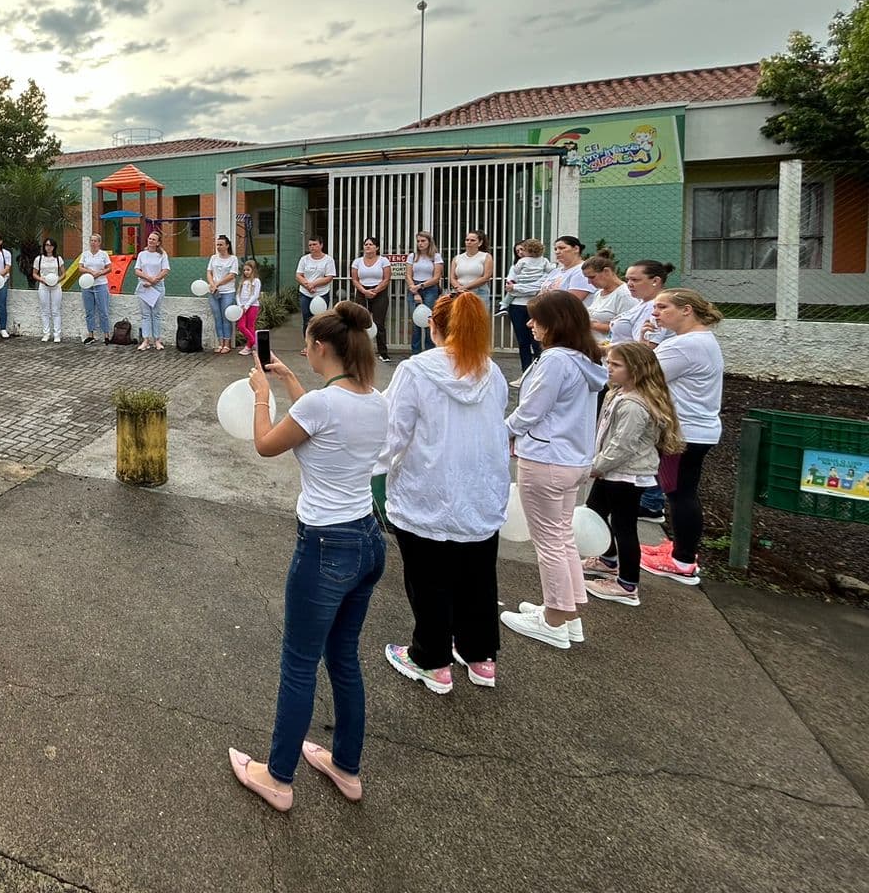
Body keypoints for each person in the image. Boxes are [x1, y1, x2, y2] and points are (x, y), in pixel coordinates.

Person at [227, 302, 388, 812]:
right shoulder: (375, 399)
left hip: (324, 546)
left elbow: (267, 445)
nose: (303, 349)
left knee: (299, 664)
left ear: (324, 347)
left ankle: (276, 776)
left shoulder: (322, 406)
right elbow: (322, 425)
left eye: (308, 345)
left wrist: (260, 397)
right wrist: (291, 381)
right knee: (343, 657)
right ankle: (346, 767)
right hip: (367, 539)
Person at [380, 292, 509, 693]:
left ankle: (430, 659)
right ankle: (480, 655)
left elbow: (393, 431)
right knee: (478, 576)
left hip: (428, 489)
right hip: (480, 490)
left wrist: (371, 467)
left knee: (429, 578)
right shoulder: (492, 371)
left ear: (433, 327)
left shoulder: (416, 370)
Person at [501, 291, 607, 649]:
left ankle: (554, 619)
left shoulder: (555, 360)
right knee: (562, 539)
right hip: (572, 460)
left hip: (546, 460)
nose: (530, 324)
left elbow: (531, 411)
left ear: (556, 323)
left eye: (537, 319)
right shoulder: (584, 360)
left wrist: (500, 432)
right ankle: (566, 612)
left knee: (548, 542)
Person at [584, 342, 685, 607]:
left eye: (616, 365)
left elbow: (623, 445)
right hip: (612, 470)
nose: (609, 368)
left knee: (623, 525)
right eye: (609, 363)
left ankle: (627, 583)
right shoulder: (617, 393)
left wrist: (595, 466)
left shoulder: (633, 405)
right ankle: (608, 559)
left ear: (636, 370)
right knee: (595, 510)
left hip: (625, 474)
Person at [640, 290, 725, 586]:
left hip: (683, 432)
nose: (655, 313)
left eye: (662, 307)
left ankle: (683, 560)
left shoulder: (685, 346)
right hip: (695, 429)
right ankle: (680, 550)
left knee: (680, 493)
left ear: (686, 309)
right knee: (680, 490)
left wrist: (640, 348)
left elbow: (639, 374)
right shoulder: (698, 341)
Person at [610, 260, 676, 523]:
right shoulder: (642, 305)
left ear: (656, 281)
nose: (629, 284)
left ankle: (652, 501)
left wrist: (630, 350)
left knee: (647, 443)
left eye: (635, 279)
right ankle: (649, 497)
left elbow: (646, 352)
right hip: (632, 377)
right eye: (628, 279)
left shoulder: (657, 310)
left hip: (645, 385)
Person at [503, 238, 557, 371]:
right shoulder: (544, 263)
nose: (520, 253)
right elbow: (510, 284)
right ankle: (526, 371)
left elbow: (537, 286)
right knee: (523, 341)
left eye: (522, 249)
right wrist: (516, 288)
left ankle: (538, 369)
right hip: (517, 306)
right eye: (518, 251)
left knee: (537, 340)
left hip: (535, 305)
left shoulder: (525, 263)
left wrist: (517, 288)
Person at [350, 236, 392, 362]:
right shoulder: (357, 261)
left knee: (379, 323)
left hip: (379, 292)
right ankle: (359, 352)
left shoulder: (383, 261)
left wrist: (376, 290)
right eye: (366, 244)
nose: (368, 246)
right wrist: (363, 291)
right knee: (360, 323)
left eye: (371, 244)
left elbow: (386, 278)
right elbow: (355, 280)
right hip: (362, 291)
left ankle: (383, 353)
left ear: (377, 247)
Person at [404, 231, 443, 355]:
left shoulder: (436, 257)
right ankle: (415, 352)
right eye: (418, 241)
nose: (420, 244)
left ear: (429, 242)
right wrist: (414, 289)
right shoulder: (412, 256)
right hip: (414, 287)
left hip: (430, 287)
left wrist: (420, 286)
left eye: (423, 241)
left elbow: (436, 277)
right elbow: (408, 275)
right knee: (416, 321)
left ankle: (429, 352)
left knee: (429, 320)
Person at [582, 252, 635, 341]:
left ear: (607, 271)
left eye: (592, 277)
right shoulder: (599, 293)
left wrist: (590, 324)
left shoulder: (624, 295)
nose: (589, 282)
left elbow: (627, 328)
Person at [133, 231, 169, 351]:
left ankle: (157, 340)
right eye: (149, 238)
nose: (150, 241)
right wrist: (148, 279)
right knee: (145, 314)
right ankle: (146, 340)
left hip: (157, 287)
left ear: (158, 242)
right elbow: (137, 270)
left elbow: (165, 270)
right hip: (144, 286)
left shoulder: (162, 255)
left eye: (153, 239)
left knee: (156, 314)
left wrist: (154, 281)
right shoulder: (142, 254)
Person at [294, 238, 337, 338]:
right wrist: (307, 285)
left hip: (321, 293)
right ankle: (308, 344)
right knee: (306, 319)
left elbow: (329, 277)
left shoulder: (328, 260)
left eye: (314, 244)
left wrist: (314, 284)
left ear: (321, 245)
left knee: (320, 319)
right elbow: (298, 275)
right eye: (310, 245)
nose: (312, 247)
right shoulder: (304, 259)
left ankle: (320, 342)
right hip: (305, 293)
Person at [206, 234, 240, 354]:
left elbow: (232, 275)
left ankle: (227, 343)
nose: (218, 247)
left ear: (227, 245)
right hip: (214, 291)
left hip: (227, 292)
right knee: (217, 317)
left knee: (226, 317)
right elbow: (209, 272)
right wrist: (212, 284)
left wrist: (218, 284)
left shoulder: (233, 259)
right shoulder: (213, 258)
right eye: (217, 245)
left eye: (221, 244)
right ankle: (220, 342)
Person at [79, 233, 113, 344]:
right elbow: (80, 268)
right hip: (87, 285)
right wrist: (90, 271)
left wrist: (100, 273)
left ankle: (106, 334)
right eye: (91, 241)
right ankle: (91, 334)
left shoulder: (103, 254)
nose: (93, 243)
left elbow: (109, 268)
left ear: (99, 242)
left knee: (103, 310)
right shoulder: (85, 254)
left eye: (95, 241)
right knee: (89, 311)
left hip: (101, 284)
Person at [449, 229, 494, 310]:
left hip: (479, 292)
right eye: (467, 240)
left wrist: (465, 287)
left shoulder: (486, 256)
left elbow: (486, 277)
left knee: (479, 320)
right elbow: (452, 277)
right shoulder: (457, 258)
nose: (469, 242)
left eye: (472, 240)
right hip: (460, 293)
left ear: (480, 243)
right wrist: (458, 287)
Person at [34, 238, 64, 343]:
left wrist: (57, 280)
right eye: (47, 245)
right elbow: (34, 273)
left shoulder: (58, 259)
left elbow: (63, 274)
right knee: (45, 310)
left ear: (54, 247)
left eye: (51, 245)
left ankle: (57, 334)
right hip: (43, 286)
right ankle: (46, 333)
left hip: (56, 287)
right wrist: (41, 279)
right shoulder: (39, 259)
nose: (48, 247)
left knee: (56, 310)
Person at [236, 259, 262, 356]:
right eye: (244, 270)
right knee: (241, 326)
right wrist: (240, 305)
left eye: (248, 270)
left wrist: (247, 305)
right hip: (242, 307)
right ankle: (254, 342)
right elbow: (238, 294)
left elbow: (255, 295)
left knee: (250, 326)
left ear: (253, 270)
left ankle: (248, 347)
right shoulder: (242, 281)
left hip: (252, 306)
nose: (246, 272)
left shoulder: (256, 281)